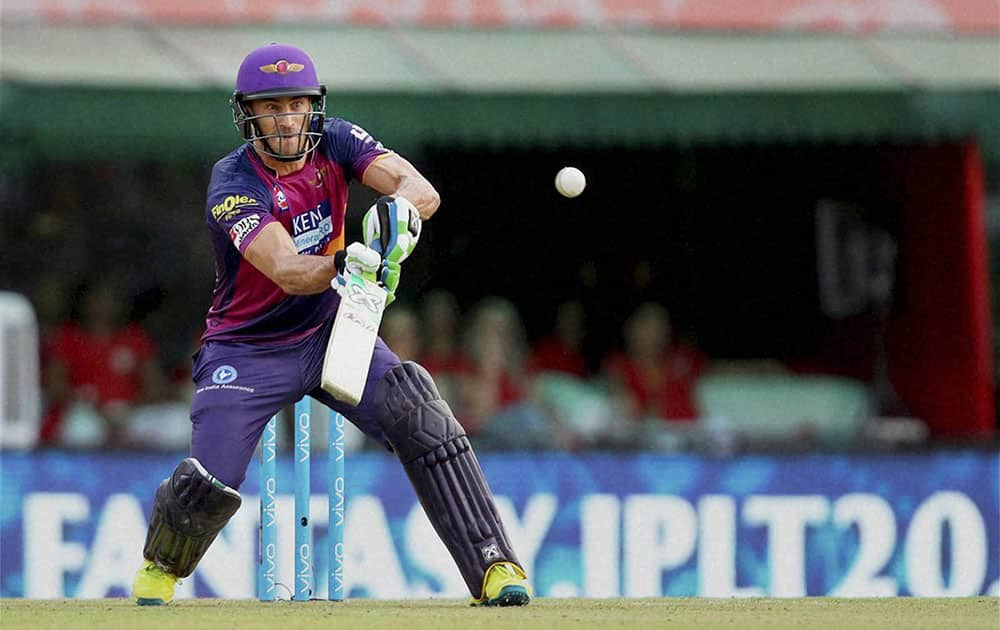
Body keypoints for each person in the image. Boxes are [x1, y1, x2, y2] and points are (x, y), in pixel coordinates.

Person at [131, 43, 530, 607]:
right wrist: (350, 262)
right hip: (247, 348)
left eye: (295, 104)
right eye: (270, 107)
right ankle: (160, 568)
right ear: (247, 113)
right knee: (211, 478)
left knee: (422, 418)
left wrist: (399, 215)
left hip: (331, 330)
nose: (285, 119)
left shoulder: (338, 139)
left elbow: (421, 189)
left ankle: (495, 565)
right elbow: (288, 270)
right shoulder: (232, 181)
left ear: (312, 107)